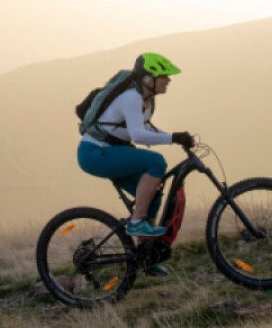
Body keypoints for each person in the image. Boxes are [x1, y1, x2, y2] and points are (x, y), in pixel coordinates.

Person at [77, 52, 195, 247]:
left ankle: (146, 254)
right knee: (156, 161)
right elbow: (137, 135)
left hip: (110, 152)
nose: (169, 80)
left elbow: (146, 128)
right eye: (164, 76)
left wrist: (176, 138)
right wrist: (172, 138)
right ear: (149, 78)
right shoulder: (131, 97)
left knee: (154, 197)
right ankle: (136, 222)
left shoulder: (147, 101)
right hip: (94, 153)